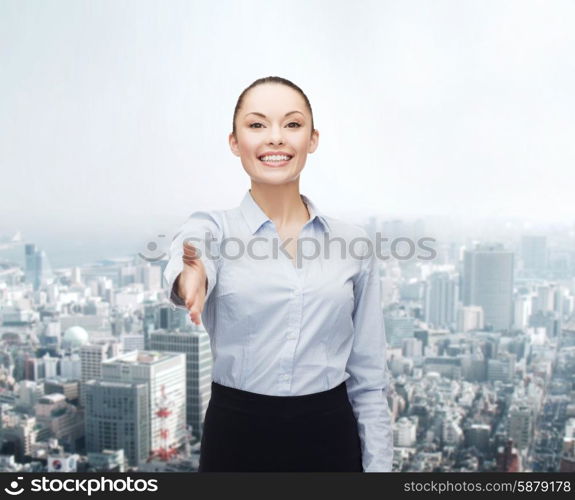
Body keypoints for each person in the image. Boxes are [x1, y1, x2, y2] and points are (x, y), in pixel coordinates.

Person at [163, 76, 393, 472]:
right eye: (256, 125)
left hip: (330, 435)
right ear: (235, 143)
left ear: (312, 139)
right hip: (236, 436)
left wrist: (379, 470)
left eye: (291, 124)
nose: (275, 138)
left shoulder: (354, 245)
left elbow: (369, 377)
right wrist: (192, 275)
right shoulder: (215, 228)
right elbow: (193, 247)